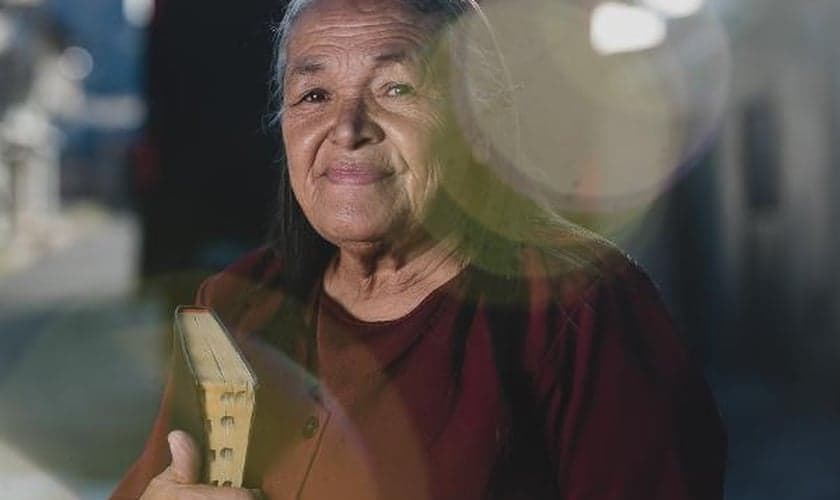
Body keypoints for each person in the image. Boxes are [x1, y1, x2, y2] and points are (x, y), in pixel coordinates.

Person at [112, 0, 726, 498]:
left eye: (396, 89)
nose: (348, 129)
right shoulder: (236, 307)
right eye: (315, 96)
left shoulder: (581, 309)